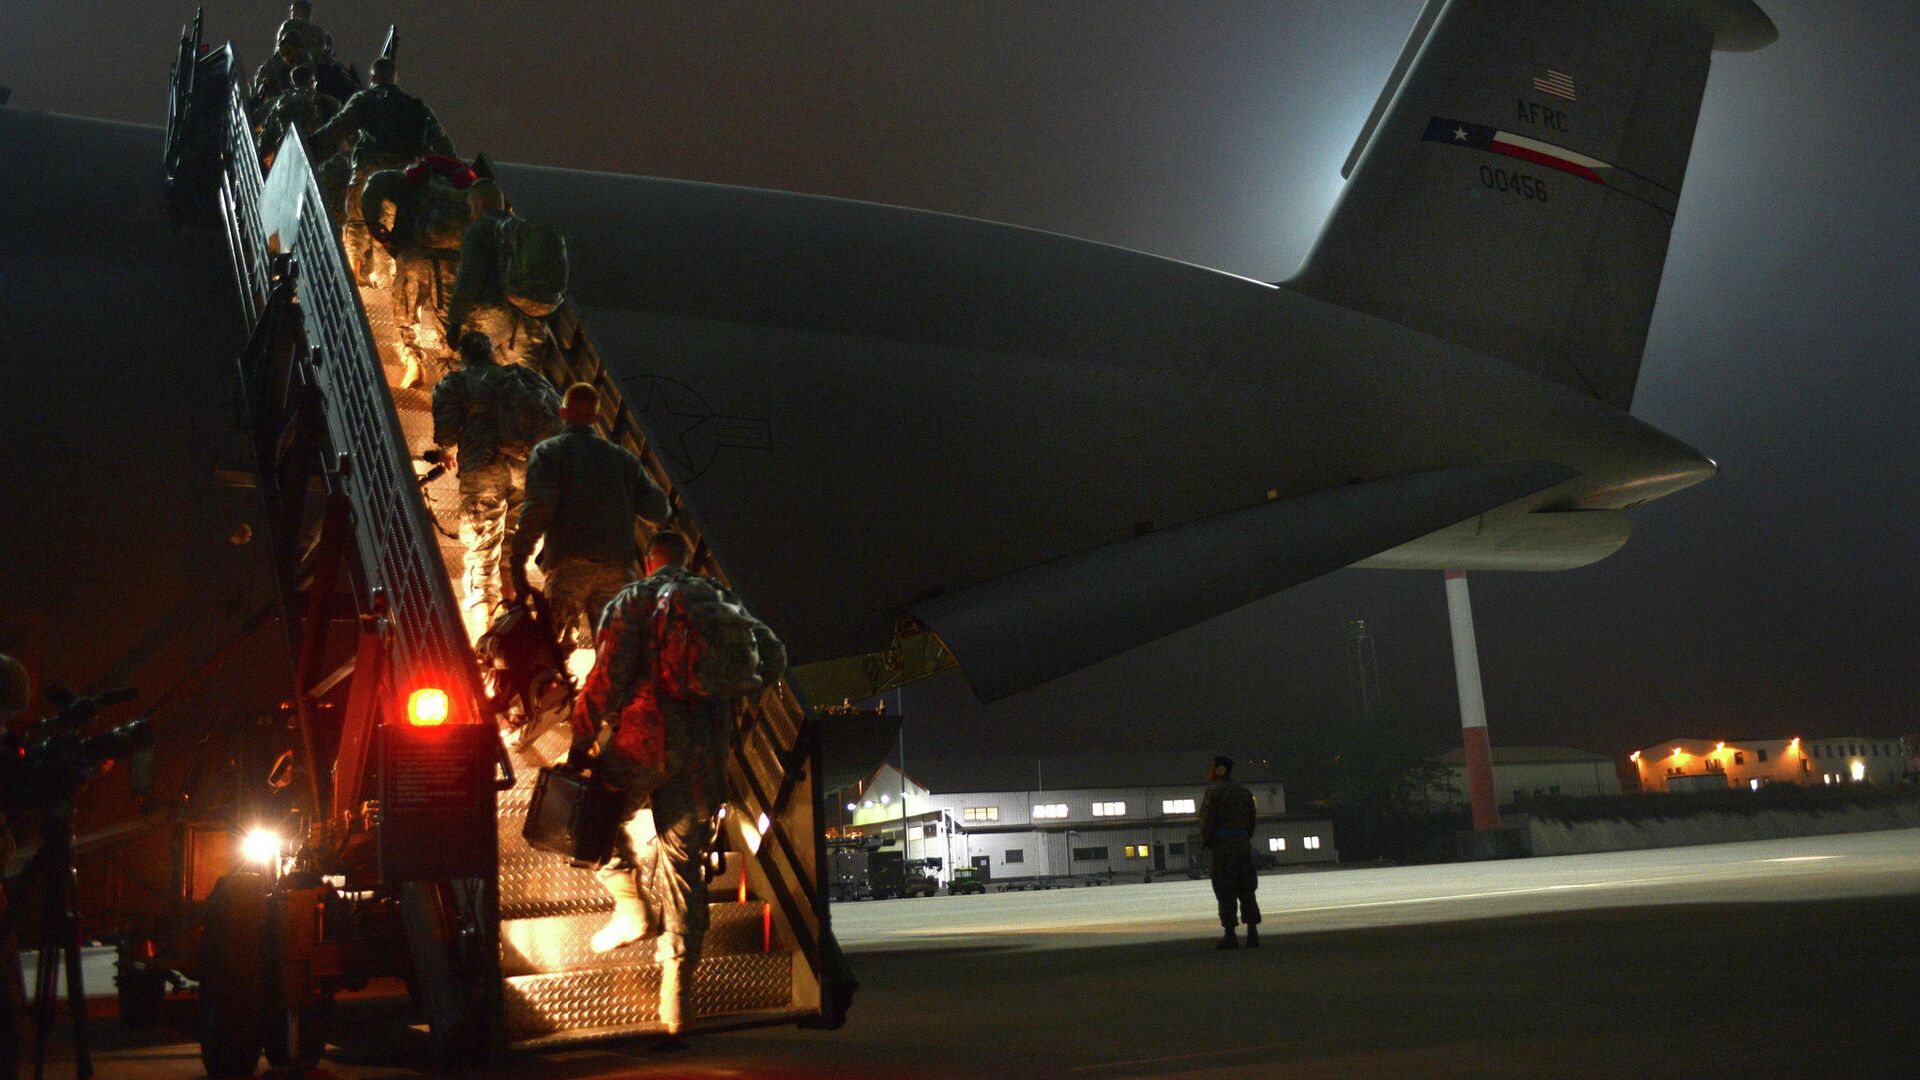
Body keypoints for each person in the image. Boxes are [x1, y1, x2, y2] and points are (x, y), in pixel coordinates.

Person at [573, 531, 786, 1036]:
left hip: (643, 742)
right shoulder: (720, 599)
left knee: (586, 818)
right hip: (705, 755)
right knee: (682, 864)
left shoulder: (635, 599)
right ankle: (678, 1000)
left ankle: (629, 907)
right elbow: (772, 656)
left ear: (649, 561)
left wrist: (582, 739)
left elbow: (607, 676)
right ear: (687, 560)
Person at [507, 382, 670, 655]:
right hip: (617, 572)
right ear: (596, 418)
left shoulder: (549, 453)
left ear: (562, 413)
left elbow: (538, 509)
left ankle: (558, 696)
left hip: (569, 569)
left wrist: (517, 559)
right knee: (614, 657)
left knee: (549, 653)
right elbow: (659, 510)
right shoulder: (622, 459)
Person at [431, 332, 560, 639]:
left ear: (464, 355)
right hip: (526, 465)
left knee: (483, 542)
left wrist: (447, 454)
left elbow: (446, 434)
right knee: (514, 543)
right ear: (493, 352)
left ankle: (482, 622)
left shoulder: (455, 382)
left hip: (484, 463)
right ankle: (512, 612)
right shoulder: (521, 378)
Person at [311, 57, 456, 286]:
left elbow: (339, 125)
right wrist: (458, 169)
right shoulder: (415, 105)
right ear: (395, 78)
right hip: (401, 174)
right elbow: (440, 140)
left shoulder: (365, 98)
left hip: (369, 166)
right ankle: (385, 279)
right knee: (388, 223)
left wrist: (312, 141)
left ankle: (355, 276)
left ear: (372, 78)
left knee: (358, 219)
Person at [445, 181, 558, 367]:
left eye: (471, 208)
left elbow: (469, 279)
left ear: (480, 204)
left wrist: (455, 322)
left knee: (460, 368)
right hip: (531, 328)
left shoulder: (480, 229)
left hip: (492, 320)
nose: (470, 214)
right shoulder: (524, 229)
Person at [1198, 754, 1261, 949]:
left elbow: (1207, 821)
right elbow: (1252, 821)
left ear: (1220, 770)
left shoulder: (1213, 792)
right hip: (1242, 843)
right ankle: (1252, 932)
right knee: (1247, 887)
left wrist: (1207, 842)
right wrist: (1243, 837)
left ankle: (1230, 934)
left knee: (1226, 889)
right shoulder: (1244, 792)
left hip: (1223, 846)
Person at [256, 64, 341, 169]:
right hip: (304, 159)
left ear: (293, 83)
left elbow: (262, 126)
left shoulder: (277, 102)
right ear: (312, 81)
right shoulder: (325, 103)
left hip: (278, 156)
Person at [248, 30, 305, 119]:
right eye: (286, 52)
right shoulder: (272, 67)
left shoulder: (302, 63)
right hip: (273, 101)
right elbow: (260, 91)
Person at [275, 1, 333, 65]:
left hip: (299, 60)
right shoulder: (320, 30)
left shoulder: (290, 24)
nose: (292, 13)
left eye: (293, 10)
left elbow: (279, 47)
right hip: (311, 62)